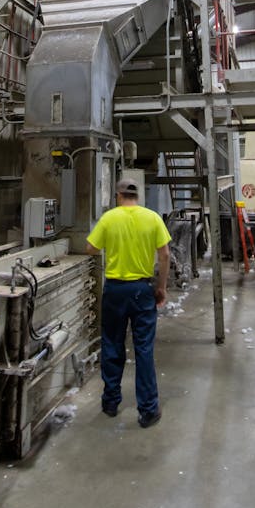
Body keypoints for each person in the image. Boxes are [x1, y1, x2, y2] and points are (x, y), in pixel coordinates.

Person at [86, 177, 171, 428]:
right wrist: (161, 287)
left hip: (115, 290)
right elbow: (165, 254)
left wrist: (112, 245)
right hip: (142, 290)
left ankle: (111, 402)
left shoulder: (110, 218)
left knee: (112, 344)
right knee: (143, 349)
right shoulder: (152, 218)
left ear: (118, 195)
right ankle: (147, 410)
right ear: (137, 196)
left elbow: (90, 247)